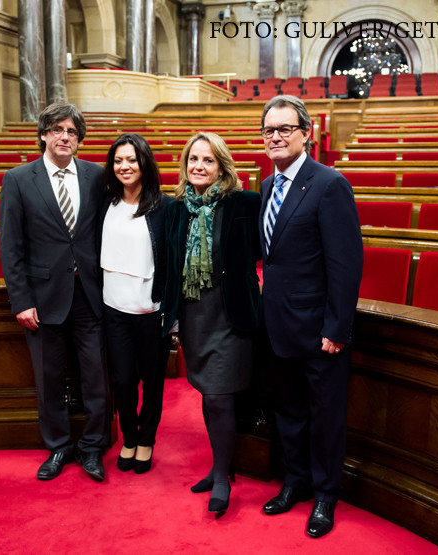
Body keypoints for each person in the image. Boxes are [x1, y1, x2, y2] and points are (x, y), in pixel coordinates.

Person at [257, 95, 363, 538]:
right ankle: (295, 483)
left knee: (324, 419)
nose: (276, 137)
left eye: (284, 129)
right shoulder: (267, 185)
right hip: (277, 326)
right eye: (269, 131)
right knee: (289, 413)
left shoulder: (329, 184)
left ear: (306, 133)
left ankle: (324, 496)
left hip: (319, 332)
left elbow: (346, 263)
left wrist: (336, 327)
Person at [0, 102, 108, 483]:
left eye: (73, 132)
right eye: (58, 130)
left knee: (96, 377)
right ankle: (59, 446)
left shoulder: (97, 176)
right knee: (48, 379)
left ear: (79, 140)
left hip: (91, 295)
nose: (66, 137)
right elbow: (11, 246)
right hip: (43, 299)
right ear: (44, 134)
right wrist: (21, 300)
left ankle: (93, 447)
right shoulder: (18, 179)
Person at [162, 132, 261, 517]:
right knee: (207, 392)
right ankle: (222, 467)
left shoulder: (244, 204)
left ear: (222, 166)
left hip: (230, 314)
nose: (199, 167)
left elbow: (269, 249)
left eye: (208, 160)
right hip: (193, 314)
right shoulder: (176, 210)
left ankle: (222, 477)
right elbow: (169, 267)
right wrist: (168, 314)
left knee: (220, 396)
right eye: (193, 160)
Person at [100, 133, 173, 474]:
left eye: (131, 160)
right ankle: (129, 437)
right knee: (123, 381)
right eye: (118, 160)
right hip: (114, 309)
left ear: (144, 163)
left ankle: (146, 440)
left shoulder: (165, 206)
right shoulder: (104, 201)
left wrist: (171, 317)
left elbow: (172, 264)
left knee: (152, 382)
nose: (124, 166)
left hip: (151, 312)